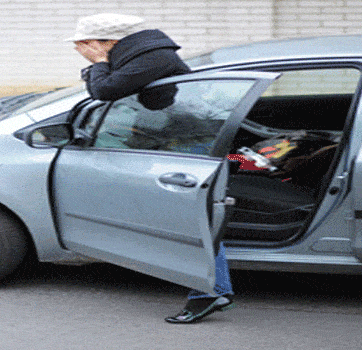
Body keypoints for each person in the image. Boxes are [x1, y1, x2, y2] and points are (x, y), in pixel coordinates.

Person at [66, 13, 235, 324]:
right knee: (187, 219)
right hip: (172, 139)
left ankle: (211, 291)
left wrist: (100, 61)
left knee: (193, 221)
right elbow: (112, 91)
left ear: (108, 42)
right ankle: (208, 287)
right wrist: (100, 63)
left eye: (82, 44)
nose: (77, 49)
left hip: (190, 143)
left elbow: (103, 91)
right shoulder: (139, 57)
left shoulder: (151, 58)